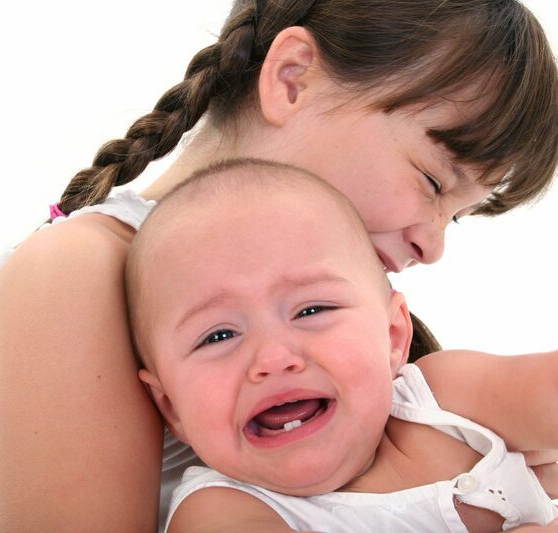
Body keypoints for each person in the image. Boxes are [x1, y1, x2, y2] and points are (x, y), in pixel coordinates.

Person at [0, 0, 558, 530]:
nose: (433, 248)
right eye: (433, 182)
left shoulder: (354, 337)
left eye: (457, 217)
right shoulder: (74, 270)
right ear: (292, 79)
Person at [128, 158, 558, 532]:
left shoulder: (446, 401)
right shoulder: (219, 510)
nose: (273, 359)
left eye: (311, 310)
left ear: (392, 337)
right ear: (170, 406)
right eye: (218, 336)